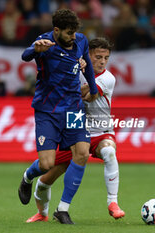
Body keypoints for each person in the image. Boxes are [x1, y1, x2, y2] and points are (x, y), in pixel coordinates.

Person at [23, 37, 125, 223]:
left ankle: (113, 202)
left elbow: (87, 94)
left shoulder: (108, 78)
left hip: (101, 131)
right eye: (98, 57)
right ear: (88, 55)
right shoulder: (74, 71)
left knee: (109, 151)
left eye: (106, 57)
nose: (102, 61)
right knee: (46, 179)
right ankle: (42, 213)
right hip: (75, 128)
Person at [18, 9, 99, 224]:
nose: (74, 37)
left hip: (73, 108)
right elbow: (25, 55)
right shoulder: (45, 43)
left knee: (82, 153)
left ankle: (63, 208)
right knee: (46, 164)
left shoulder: (80, 40)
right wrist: (34, 49)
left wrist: (93, 88)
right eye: (69, 33)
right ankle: (27, 177)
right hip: (48, 111)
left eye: (75, 32)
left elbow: (87, 64)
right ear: (56, 30)